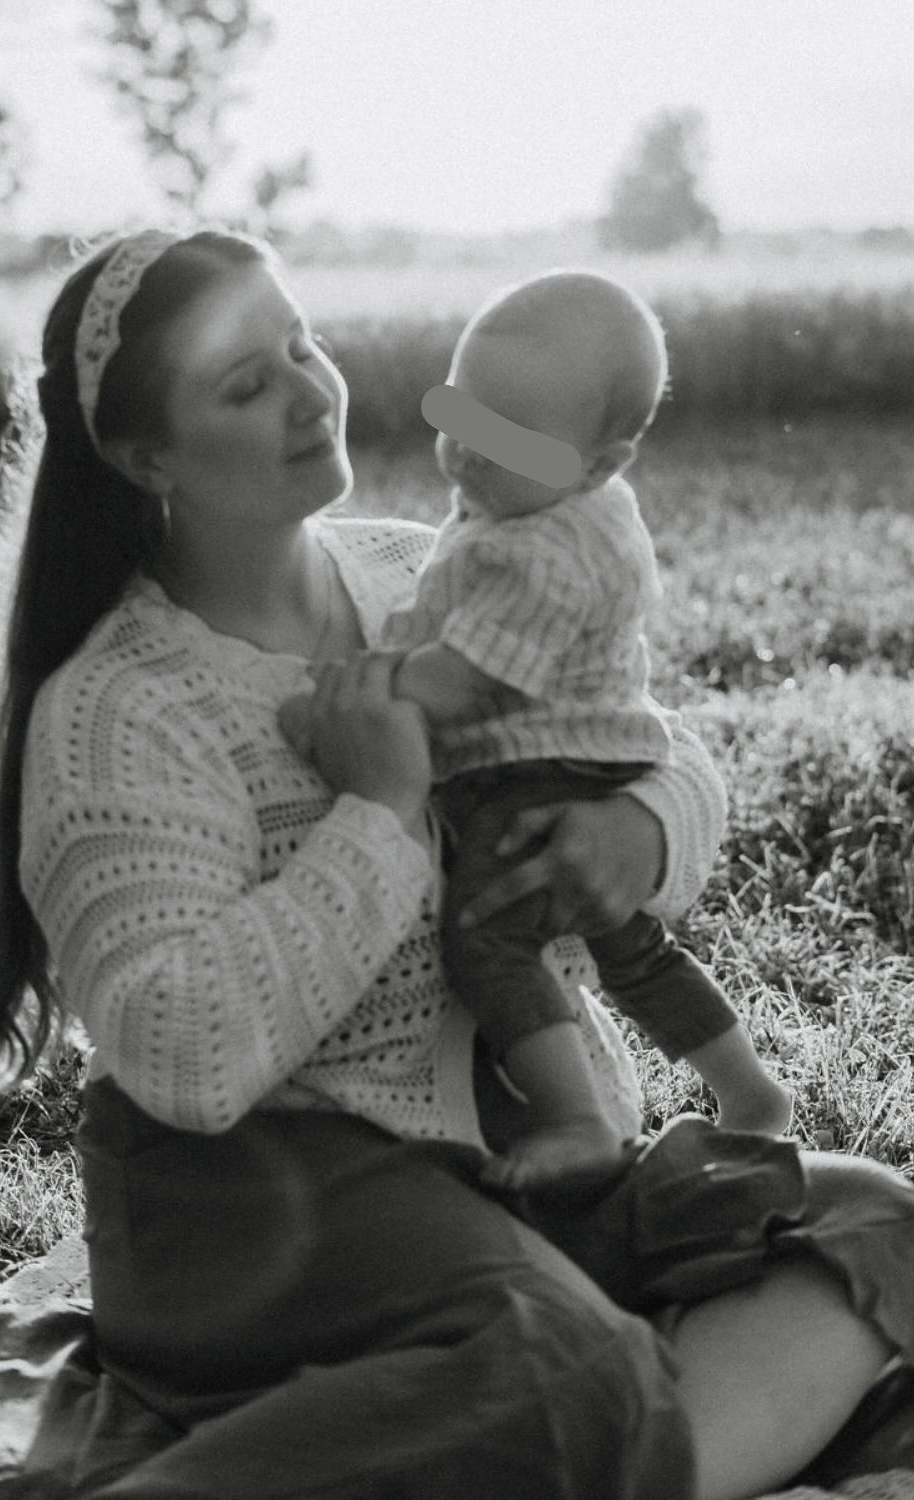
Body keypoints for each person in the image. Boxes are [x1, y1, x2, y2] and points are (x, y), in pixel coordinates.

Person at [0, 225, 912, 1499]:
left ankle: (599, 1454)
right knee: (568, 1365)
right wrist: (381, 809)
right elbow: (181, 1054)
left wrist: (637, 829)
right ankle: (603, 1428)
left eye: (300, 341)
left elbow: (641, 739)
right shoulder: (120, 708)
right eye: (247, 383)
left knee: (869, 1221)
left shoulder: (422, 565)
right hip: (256, 1205)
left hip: (505, 1167)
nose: (310, 389)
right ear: (144, 456)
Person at [306, 268, 791, 1194]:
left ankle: (575, 1120)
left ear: (602, 464)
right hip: (600, 753)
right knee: (632, 947)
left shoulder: (537, 554)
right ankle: (749, 1093)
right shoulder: (545, 508)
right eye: (458, 415)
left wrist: (366, 691)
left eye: (503, 441)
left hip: (537, 769)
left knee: (489, 936)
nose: (464, 457)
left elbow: (467, 683)